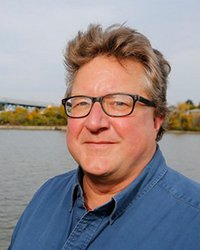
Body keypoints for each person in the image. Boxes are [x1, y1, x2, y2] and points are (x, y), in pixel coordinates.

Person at [9, 24, 200, 250]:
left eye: (119, 103)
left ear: (157, 120)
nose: (94, 122)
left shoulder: (193, 223)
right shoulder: (46, 195)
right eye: (81, 103)